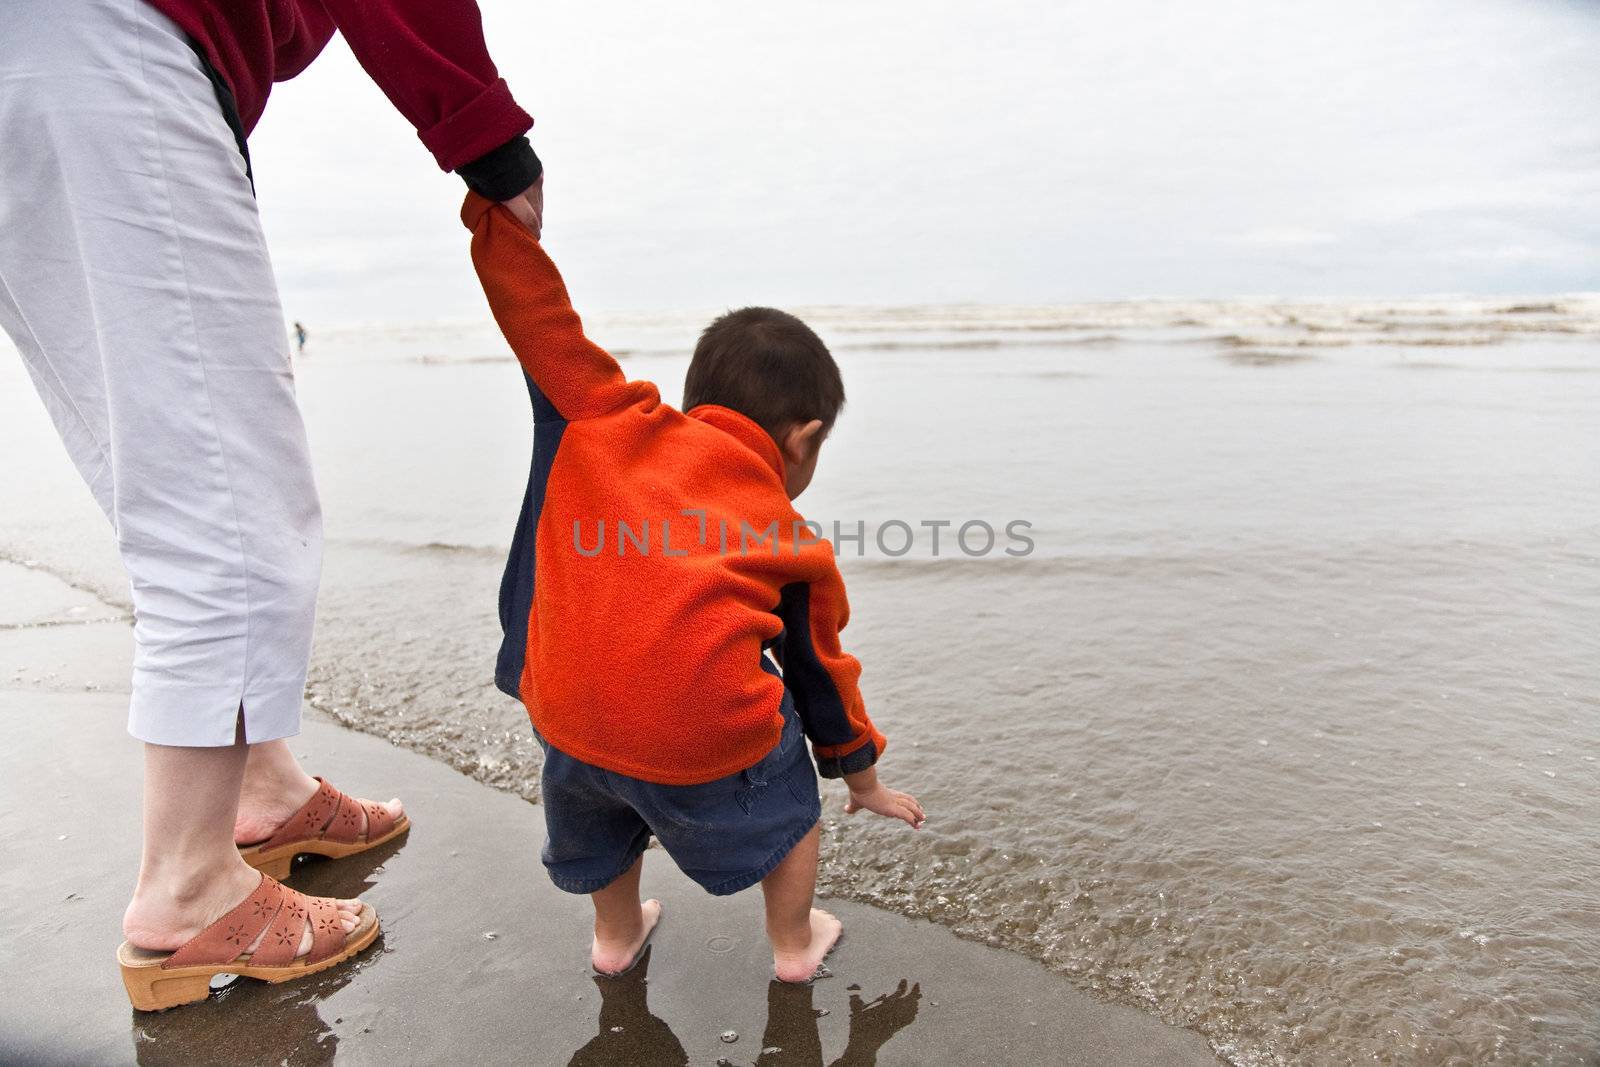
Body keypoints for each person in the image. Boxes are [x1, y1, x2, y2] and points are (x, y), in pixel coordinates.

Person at [0, 0, 543, 1011]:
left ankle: (266, 792)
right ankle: (189, 891)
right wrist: (488, 140)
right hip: (105, 38)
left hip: (53, 58)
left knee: (172, 475)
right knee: (229, 509)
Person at [463, 193, 926, 983]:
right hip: (704, 740)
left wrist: (499, 215)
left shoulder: (605, 418)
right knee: (791, 804)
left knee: (598, 812)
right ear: (803, 439)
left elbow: (539, 321)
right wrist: (862, 775)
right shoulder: (792, 538)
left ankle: (615, 936)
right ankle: (793, 942)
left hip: (567, 721)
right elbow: (821, 673)